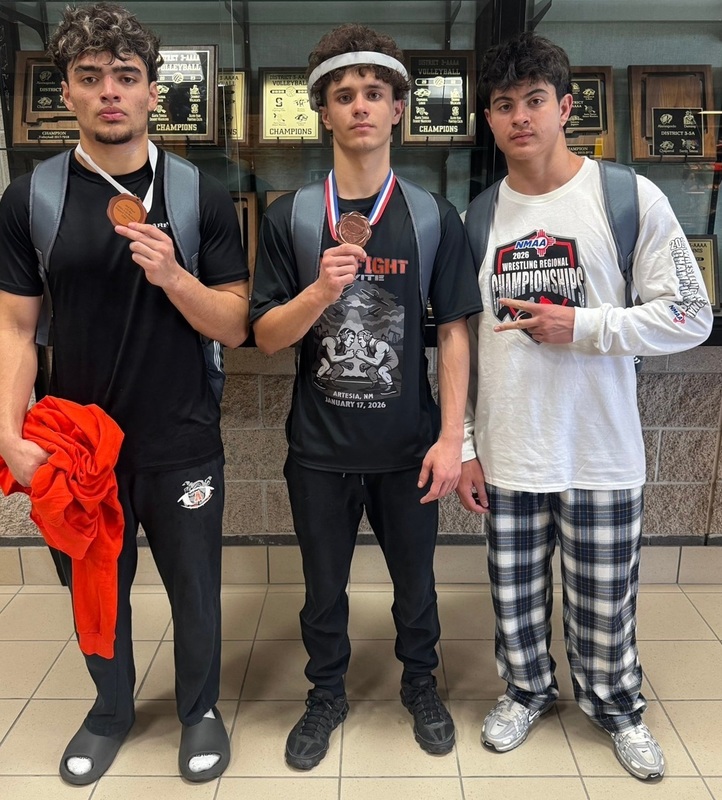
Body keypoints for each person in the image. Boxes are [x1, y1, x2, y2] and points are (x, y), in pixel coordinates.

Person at [0, 2, 249, 786]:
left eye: (127, 77)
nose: (110, 91)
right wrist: (10, 435)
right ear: (66, 94)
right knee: (93, 589)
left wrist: (174, 274)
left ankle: (200, 709)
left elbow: (236, 324)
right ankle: (111, 709)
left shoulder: (199, 195)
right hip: (77, 450)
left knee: (196, 591)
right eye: (90, 77)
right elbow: (14, 330)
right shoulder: (30, 199)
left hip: (179, 437)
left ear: (152, 94)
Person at [457, 32, 713, 781]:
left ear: (566, 107)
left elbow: (689, 314)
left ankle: (616, 705)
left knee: (605, 601)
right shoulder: (477, 216)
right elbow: (462, 342)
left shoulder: (627, 197)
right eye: (503, 105)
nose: (520, 117)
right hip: (510, 448)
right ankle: (527, 691)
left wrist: (588, 326)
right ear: (489, 119)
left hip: (602, 449)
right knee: (515, 596)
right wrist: (468, 442)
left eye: (535, 100)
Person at [251, 23, 482, 770]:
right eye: (343, 95)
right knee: (322, 590)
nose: (359, 107)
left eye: (374, 94)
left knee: (416, 584)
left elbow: (452, 332)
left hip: (407, 445)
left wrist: (452, 439)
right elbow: (265, 336)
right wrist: (320, 289)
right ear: (323, 112)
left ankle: (421, 683)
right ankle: (326, 695)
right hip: (318, 449)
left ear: (396, 112)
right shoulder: (289, 214)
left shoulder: (429, 215)